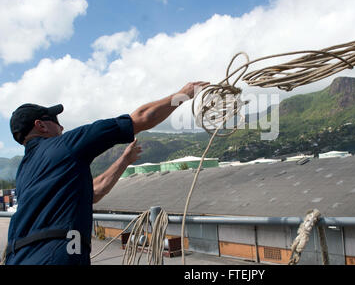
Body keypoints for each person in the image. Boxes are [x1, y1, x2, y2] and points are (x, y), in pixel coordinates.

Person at [3, 81, 209, 265]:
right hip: (57, 256)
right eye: (55, 121)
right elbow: (142, 117)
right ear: (40, 125)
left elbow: (93, 193)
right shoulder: (66, 145)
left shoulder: (24, 172)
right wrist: (185, 94)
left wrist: (124, 160)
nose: (62, 126)